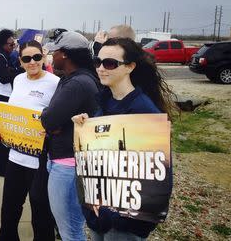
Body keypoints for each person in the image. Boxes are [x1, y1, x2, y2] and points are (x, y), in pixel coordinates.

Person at [72, 37, 176, 240]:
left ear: (130, 67)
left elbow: (158, 178)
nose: (101, 68)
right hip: (98, 214)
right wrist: (83, 129)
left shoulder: (143, 111)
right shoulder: (105, 102)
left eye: (110, 63)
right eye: (97, 62)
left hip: (124, 224)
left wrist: (117, 218)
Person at [41, 31, 102, 241]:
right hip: (66, 161)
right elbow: (53, 120)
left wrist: (51, 122)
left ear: (64, 54)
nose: (51, 56)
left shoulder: (77, 83)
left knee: (70, 230)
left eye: (54, 51)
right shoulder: (75, 79)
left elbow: (48, 120)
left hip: (68, 166)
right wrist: (54, 122)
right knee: (70, 227)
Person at [0, 40, 58, 241]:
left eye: (37, 57)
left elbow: (60, 119)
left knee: (41, 214)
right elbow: (13, 113)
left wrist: (49, 131)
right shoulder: (19, 80)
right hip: (15, 157)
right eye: (27, 59)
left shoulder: (55, 83)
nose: (32, 62)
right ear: (20, 61)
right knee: (9, 210)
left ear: (43, 57)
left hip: (40, 161)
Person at [0, 29, 24, 176]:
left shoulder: (5, 57)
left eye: (14, 44)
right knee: (2, 134)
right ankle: (2, 169)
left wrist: (14, 68)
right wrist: (20, 71)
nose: (12, 47)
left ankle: (4, 167)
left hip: (4, 96)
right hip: (0, 97)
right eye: (10, 44)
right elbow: (4, 77)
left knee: (5, 133)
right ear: (3, 45)